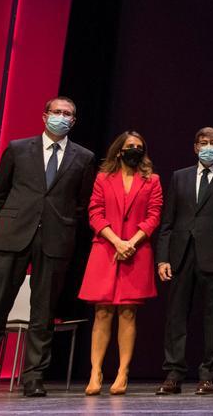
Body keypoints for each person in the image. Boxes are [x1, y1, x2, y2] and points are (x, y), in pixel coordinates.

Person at [0, 97, 95, 399]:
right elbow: (0, 191)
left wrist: (57, 221)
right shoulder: (18, 148)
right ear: (45, 116)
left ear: (74, 121)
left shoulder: (84, 157)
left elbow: (81, 202)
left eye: (68, 114)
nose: (62, 117)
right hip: (13, 235)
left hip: (54, 238)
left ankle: (34, 376)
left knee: (43, 312)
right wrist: (19, 217)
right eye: (57, 112)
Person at [155, 127, 213, 396]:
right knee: (175, 318)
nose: (208, 146)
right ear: (195, 147)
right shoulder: (179, 177)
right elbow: (168, 222)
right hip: (181, 256)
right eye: (203, 142)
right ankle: (173, 374)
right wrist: (163, 258)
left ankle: (209, 374)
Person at [78, 131, 163, 396]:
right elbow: (95, 212)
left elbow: (154, 215)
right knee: (102, 312)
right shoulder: (103, 178)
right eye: (130, 146)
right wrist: (116, 241)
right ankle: (96, 372)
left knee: (128, 312)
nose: (134, 149)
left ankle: (122, 372)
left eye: (139, 146)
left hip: (136, 252)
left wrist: (131, 242)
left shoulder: (153, 180)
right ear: (119, 150)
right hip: (106, 249)